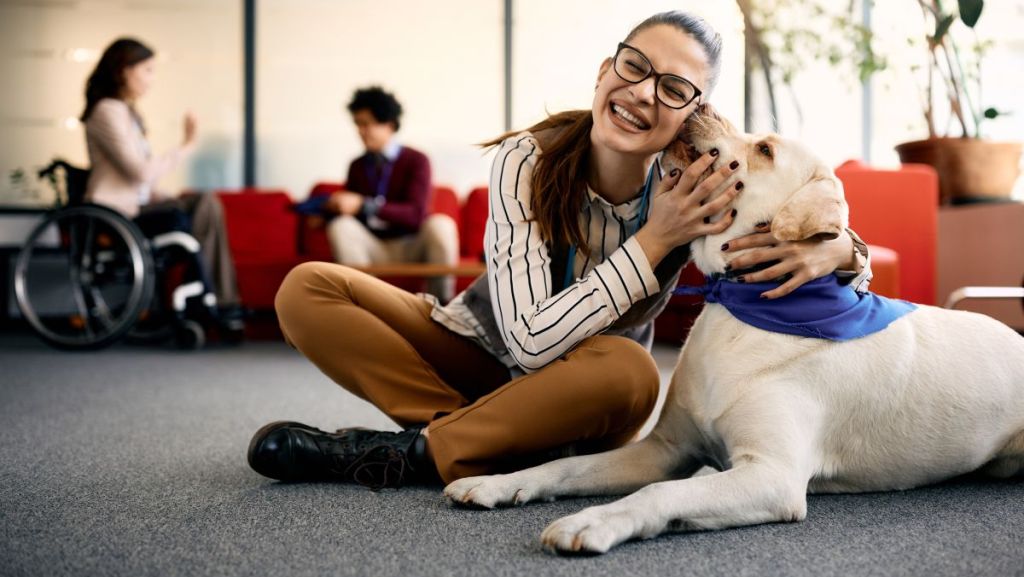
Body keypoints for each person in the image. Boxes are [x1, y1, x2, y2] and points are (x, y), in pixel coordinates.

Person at [247, 11, 871, 489]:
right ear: (605, 73)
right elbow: (526, 342)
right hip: (479, 348)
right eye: (634, 67)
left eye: (674, 87)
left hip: (587, 390)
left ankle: (421, 452)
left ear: (692, 113)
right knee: (308, 287)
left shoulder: (700, 179)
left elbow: (793, 203)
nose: (644, 93)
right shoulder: (529, 157)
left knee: (630, 373)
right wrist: (656, 237)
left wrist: (841, 250)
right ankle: (469, 440)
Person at [80, 37, 243, 332]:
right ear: (123, 70)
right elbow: (139, 172)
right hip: (118, 216)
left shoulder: (128, 114)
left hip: (138, 205)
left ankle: (212, 299)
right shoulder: (107, 111)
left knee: (205, 203)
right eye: (147, 70)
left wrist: (165, 195)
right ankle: (214, 301)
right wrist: (187, 146)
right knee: (202, 207)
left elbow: (141, 183)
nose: (151, 80)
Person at [320, 86, 458, 302]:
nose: (361, 131)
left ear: (390, 124)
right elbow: (352, 216)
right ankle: (364, 306)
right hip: (374, 246)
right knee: (340, 226)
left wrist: (365, 204)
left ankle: (443, 308)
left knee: (442, 224)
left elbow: (416, 214)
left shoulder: (417, 160)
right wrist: (328, 212)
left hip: (411, 244)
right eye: (357, 124)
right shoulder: (357, 165)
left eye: (367, 123)